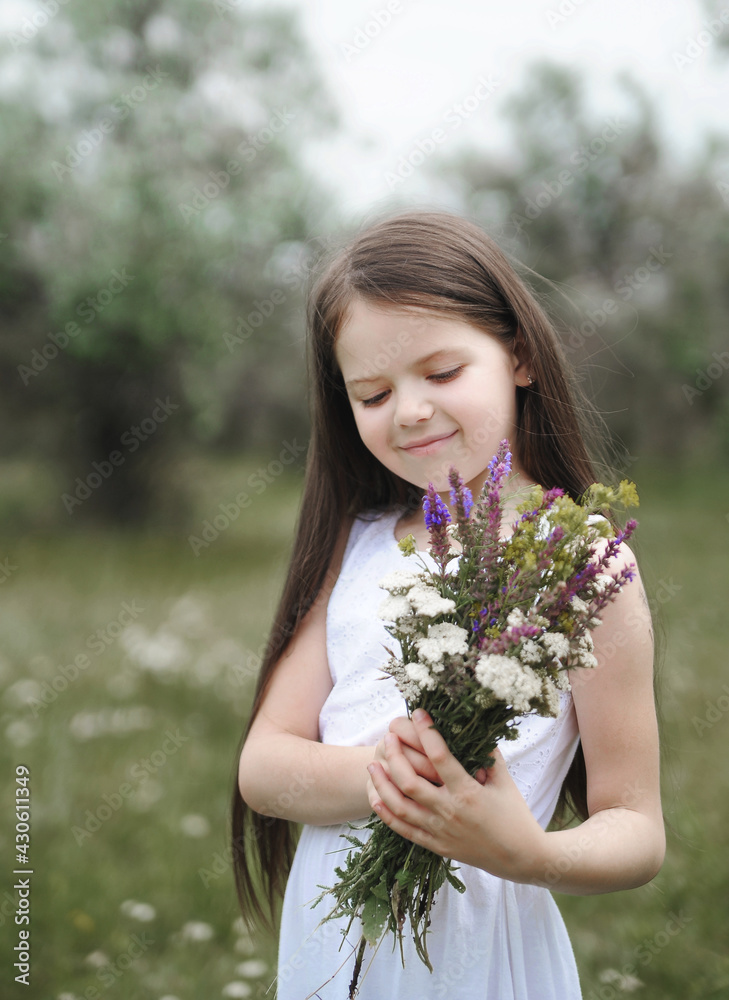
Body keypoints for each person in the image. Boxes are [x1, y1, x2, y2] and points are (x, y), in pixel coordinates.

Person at [231, 209, 665, 999]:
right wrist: (396, 780)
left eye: (440, 373)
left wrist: (525, 852)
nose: (409, 412)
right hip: (332, 953)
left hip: (480, 954)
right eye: (371, 393)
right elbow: (263, 768)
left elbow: (635, 828)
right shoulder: (358, 546)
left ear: (519, 356)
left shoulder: (584, 569)